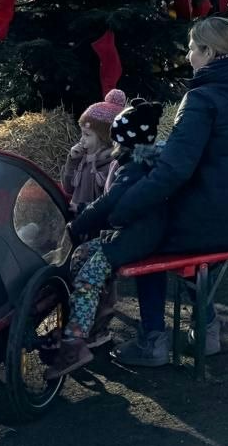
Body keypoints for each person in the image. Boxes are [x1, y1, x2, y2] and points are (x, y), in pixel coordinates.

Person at [101, 19, 228, 363]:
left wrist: (122, 211)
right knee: (187, 230)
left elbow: (174, 171)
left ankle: (152, 339)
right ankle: (207, 328)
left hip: (217, 222)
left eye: (191, 48)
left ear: (209, 52)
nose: (187, 56)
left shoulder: (202, 98)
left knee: (147, 236)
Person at [48, 98, 168, 377]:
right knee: (80, 256)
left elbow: (108, 204)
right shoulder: (142, 161)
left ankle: (75, 341)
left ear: (123, 141)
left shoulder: (134, 168)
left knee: (90, 276)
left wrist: (76, 226)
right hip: (135, 234)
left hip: (136, 238)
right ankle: (81, 325)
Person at [61, 89, 127, 208]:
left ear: (105, 139)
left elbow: (106, 205)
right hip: (76, 221)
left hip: (92, 223)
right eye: (82, 134)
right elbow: (68, 188)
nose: (81, 140)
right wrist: (72, 161)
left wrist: (82, 210)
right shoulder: (83, 159)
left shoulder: (112, 167)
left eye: (87, 134)